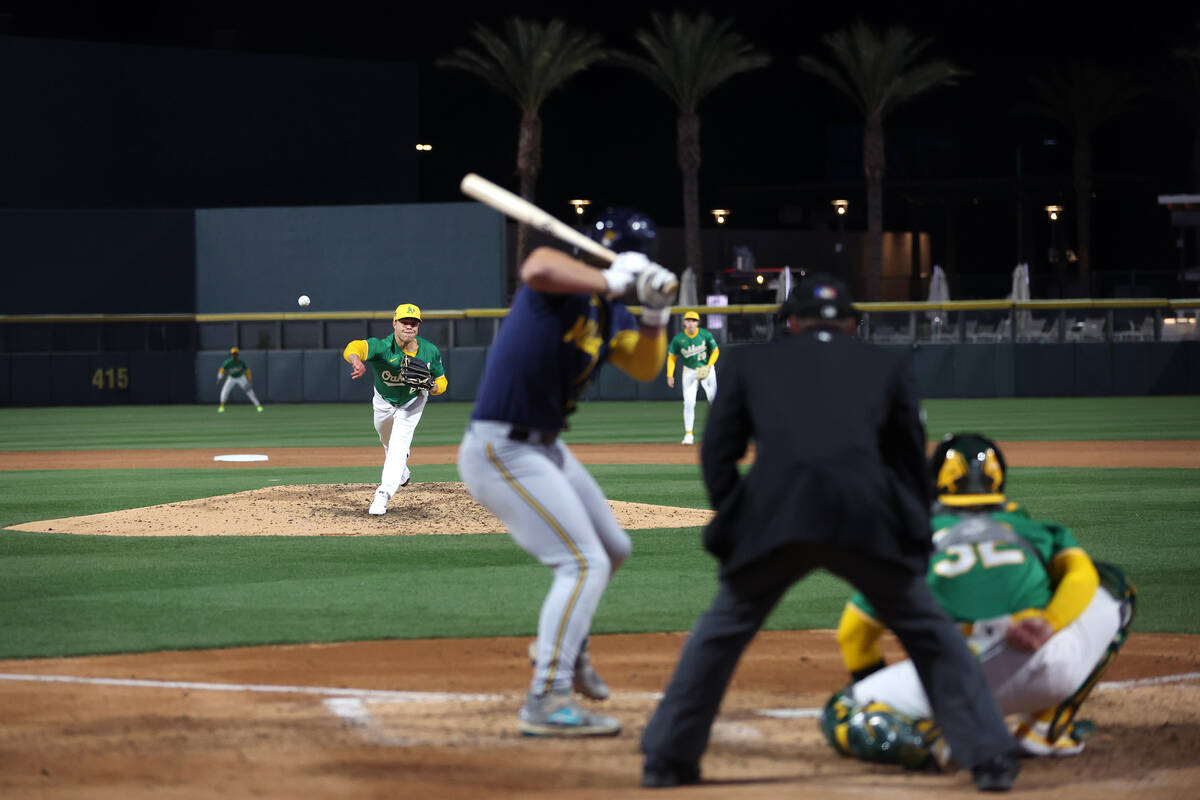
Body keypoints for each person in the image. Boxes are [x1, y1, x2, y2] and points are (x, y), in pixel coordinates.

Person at [640, 274, 1020, 792]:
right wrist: (911, 532)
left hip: (775, 517)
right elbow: (909, 461)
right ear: (849, 323)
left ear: (790, 323)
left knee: (720, 633)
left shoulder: (749, 362)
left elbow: (717, 453)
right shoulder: (886, 364)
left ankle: (667, 759)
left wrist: (734, 517)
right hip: (865, 515)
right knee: (932, 637)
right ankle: (992, 759)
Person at [456, 206, 677, 738]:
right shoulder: (559, 285)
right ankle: (546, 698)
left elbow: (645, 367)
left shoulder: (608, 310)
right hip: (502, 446)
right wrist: (610, 278)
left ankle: (565, 647)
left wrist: (653, 315)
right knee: (582, 563)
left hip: (546, 448)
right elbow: (536, 266)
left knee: (614, 549)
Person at [822, 432, 1136, 765]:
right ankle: (1046, 729)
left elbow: (853, 634)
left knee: (842, 711)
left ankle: (931, 743)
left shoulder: (910, 540)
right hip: (1047, 669)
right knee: (1115, 587)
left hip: (954, 685)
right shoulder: (1033, 530)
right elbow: (1082, 576)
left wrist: (891, 699)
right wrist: (1050, 623)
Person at [343, 303, 447, 516]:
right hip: (383, 401)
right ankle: (402, 470)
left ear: (418, 326)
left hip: (413, 401)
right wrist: (356, 361)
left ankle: (383, 494)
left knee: (399, 444)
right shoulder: (382, 347)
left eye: (414, 323)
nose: (409, 326)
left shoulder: (429, 350)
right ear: (394, 324)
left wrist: (432, 386)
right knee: (386, 439)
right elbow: (353, 347)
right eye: (404, 322)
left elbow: (442, 382)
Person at [666, 310, 719, 445]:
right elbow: (672, 357)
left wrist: (708, 366)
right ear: (684, 322)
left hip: (706, 369)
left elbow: (715, 351)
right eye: (688, 320)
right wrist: (669, 375)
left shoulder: (705, 335)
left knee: (714, 400)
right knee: (689, 403)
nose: (691, 323)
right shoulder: (678, 339)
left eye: (694, 320)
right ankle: (689, 435)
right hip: (689, 372)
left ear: (698, 323)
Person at [216, 346, 263, 413]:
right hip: (231, 378)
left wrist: (249, 379)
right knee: (225, 391)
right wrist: (219, 377)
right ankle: (222, 406)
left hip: (241, 377)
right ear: (231, 355)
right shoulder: (227, 362)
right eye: (233, 354)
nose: (234, 355)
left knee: (249, 391)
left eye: (235, 354)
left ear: (238, 354)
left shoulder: (241, 362)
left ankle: (258, 406)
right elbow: (222, 370)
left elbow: (247, 371)